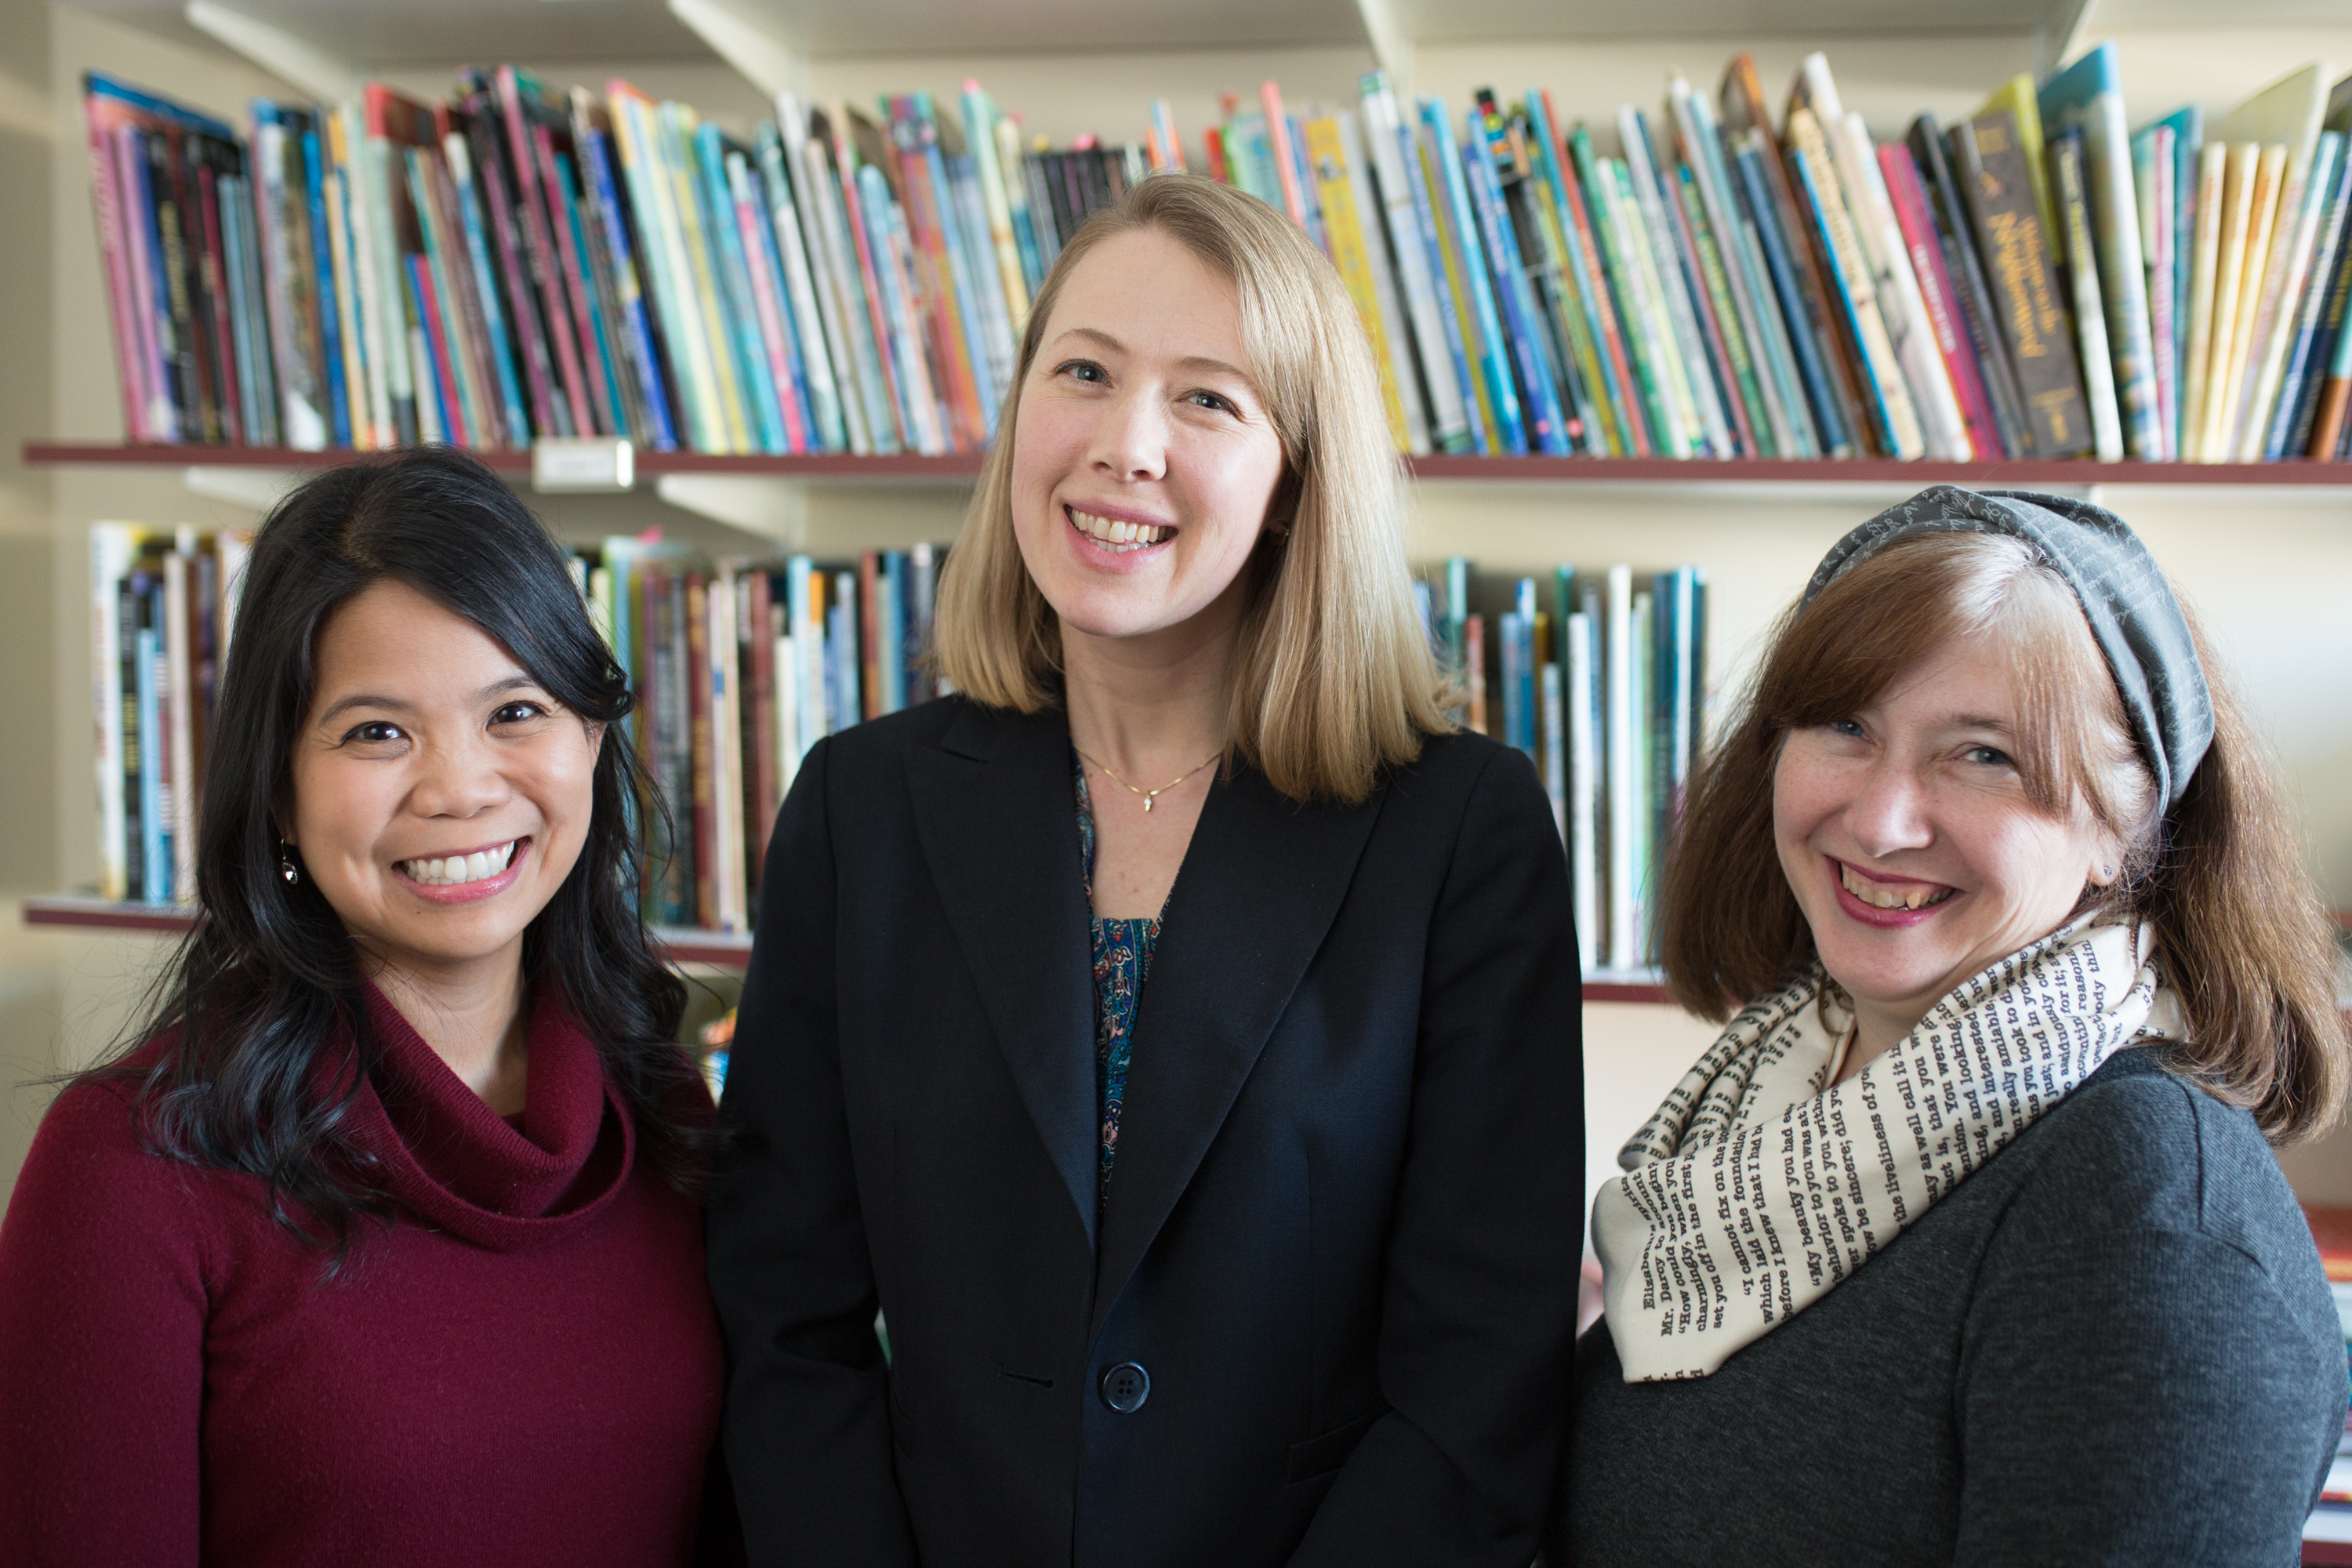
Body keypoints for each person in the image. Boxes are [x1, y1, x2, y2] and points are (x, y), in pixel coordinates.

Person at [706, 172, 1584, 1567]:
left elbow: (1478, 1384)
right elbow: (782, 1315)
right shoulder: (859, 808)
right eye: (1087, 372)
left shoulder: (1462, 833)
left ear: (1296, 481)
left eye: (1209, 399)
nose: (1125, 444)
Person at [1556, 487, 2350, 1565]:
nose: (1881, 820)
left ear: (2127, 828)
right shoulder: (1772, 1098)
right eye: (1847, 726)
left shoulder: (2146, 1211)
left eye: (1985, 756)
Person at [0, 447, 727, 1567]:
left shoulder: (672, 1112)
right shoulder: (131, 1171)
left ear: (590, 738)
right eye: (376, 732)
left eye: (517, 710)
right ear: (279, 793)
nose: (460, 788)